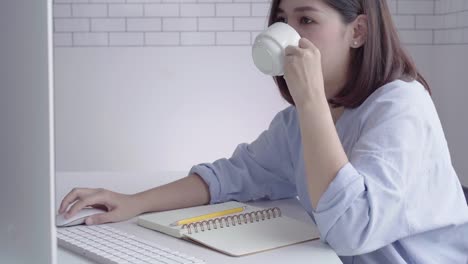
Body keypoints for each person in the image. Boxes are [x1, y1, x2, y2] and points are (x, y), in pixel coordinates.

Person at [58, 0, 468, 263]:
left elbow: (351, 230)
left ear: (357, 32)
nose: (288, 35)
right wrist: (134, 202)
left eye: (306, 19)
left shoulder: (401, 106)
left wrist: (309, 101)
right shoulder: (301, 122)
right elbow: (232, 175)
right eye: (281, 20)